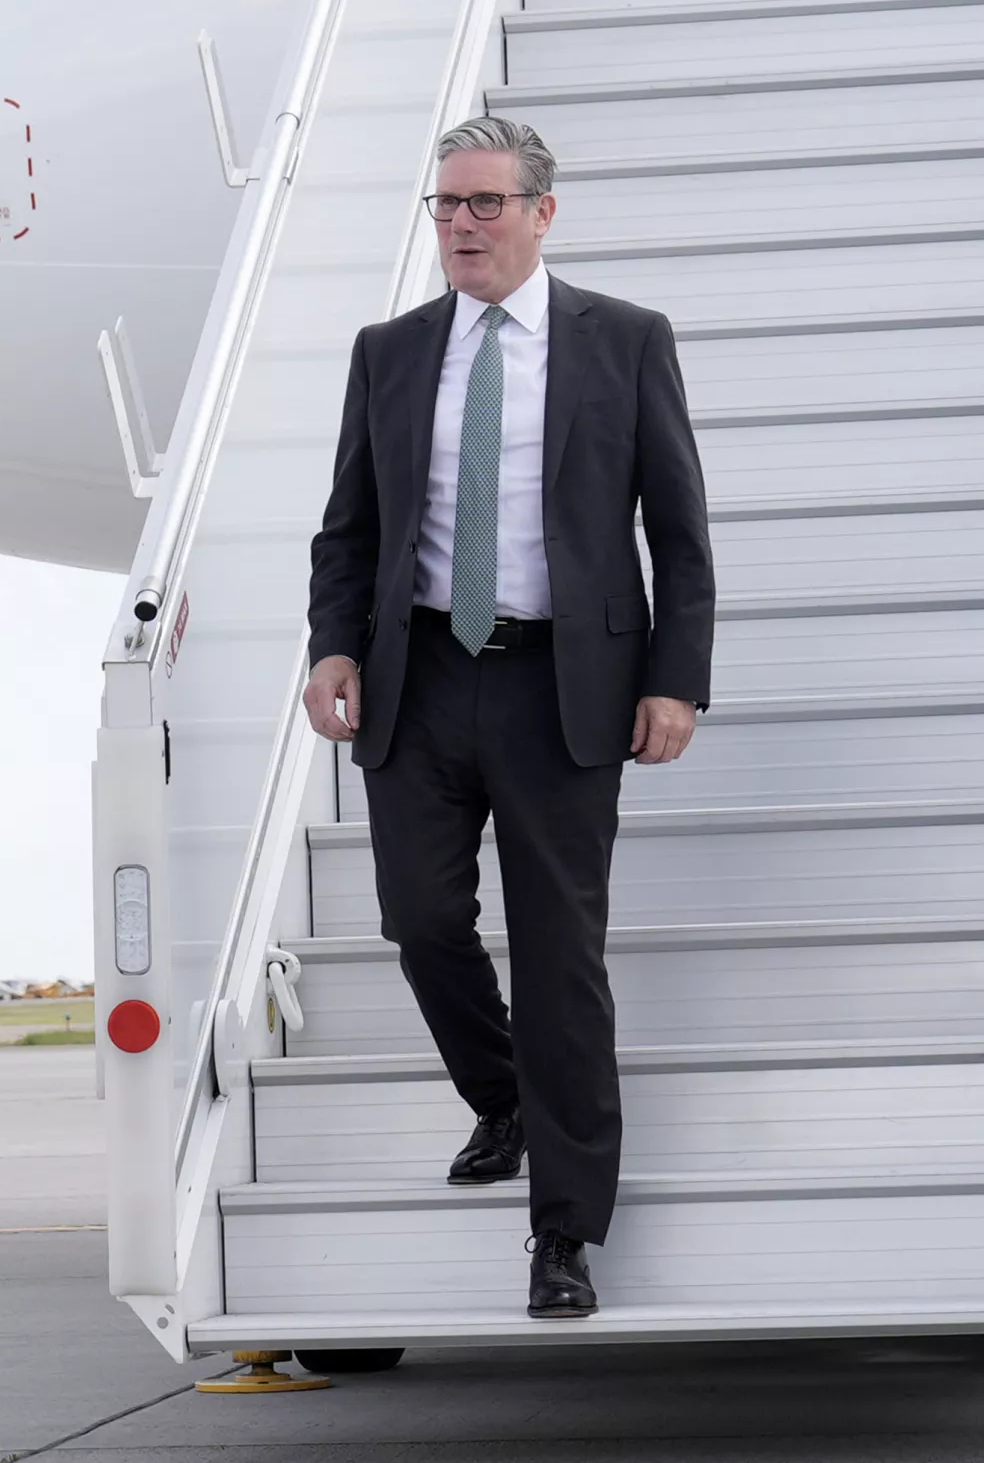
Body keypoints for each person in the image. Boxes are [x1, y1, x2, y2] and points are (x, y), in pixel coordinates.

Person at [304, 116, 715, 1319]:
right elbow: (349, 528)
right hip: (421, 675)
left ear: (543, 211)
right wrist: (333, 643)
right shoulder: (388, 352)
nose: (461, 225)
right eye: (446, 204)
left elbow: (678, 532)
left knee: (557, 959)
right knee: (419, 918)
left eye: (485, 203)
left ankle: (563, 1232)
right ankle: (505, 1097)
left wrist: (675, 678)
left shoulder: (624, 341)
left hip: (562, 687)